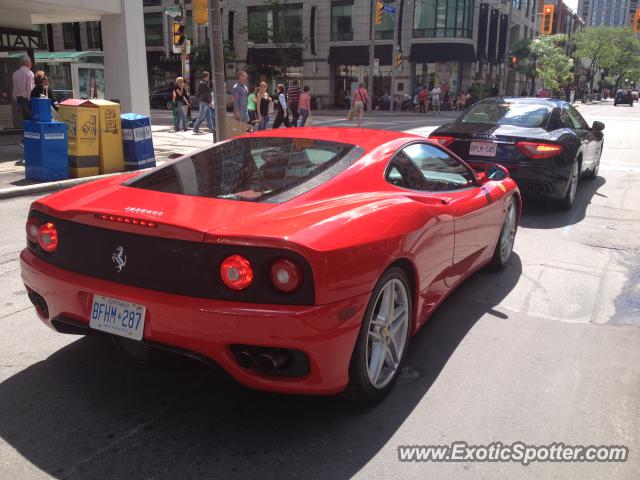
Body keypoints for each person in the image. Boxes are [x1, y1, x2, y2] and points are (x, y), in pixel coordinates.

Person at [12, 55, 34, 121]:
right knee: (31, 119)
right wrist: (30, 101)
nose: (31, 63)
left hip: (19, 99)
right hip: (27, 99)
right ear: (26, 63)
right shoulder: (29, 73)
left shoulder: (15, 74)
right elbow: (29, 89)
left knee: (25, 119)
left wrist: (17, 99)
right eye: (30, 61)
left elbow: (14, 89)